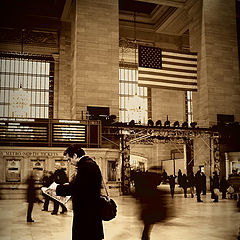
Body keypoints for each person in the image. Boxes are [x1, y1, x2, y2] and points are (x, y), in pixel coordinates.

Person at [55, 144, 104, 240]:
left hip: (86, 214)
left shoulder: (86, 166)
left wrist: (57, 189)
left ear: (75, 156)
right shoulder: (88, 164)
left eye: (69, 159)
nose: (70, 162)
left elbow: (79, 188)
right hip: (89, 213)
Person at [132, 170, 168, 240]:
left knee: (146, 228)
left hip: (147, 211)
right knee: (147, 229)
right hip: (149, 212)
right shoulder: (152, 190)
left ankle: (145, 238)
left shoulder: (145, 189)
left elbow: (137, 196)